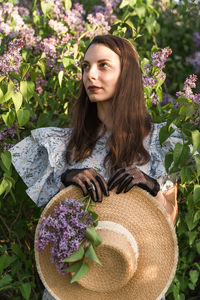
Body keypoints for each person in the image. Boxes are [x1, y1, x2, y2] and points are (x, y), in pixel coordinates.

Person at [10, 35, 180, 300]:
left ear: (127, 75)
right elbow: (50, 226)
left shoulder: (161, 141)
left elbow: (168, 225)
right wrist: (65, 179)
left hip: (133, 281)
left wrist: (151, 185)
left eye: (103, 65)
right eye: (85, 66)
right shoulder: (61, 144)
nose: (90, 75)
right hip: (73, 285)